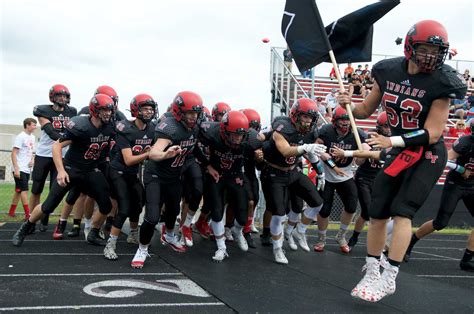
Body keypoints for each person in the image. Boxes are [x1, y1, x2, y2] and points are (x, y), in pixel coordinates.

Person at [337, 20, 467, 302]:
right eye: (425, 49)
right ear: (410, 46)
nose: (430, 56)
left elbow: (433, 133)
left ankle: (390, 276)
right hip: (398, 149)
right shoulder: (387, 71)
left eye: (437, 51)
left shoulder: (443, 81)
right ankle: (373, 269)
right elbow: (364, 109)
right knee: (377, 211)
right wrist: (347, 102)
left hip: (427, 154)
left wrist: (391, 142)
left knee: (402, 212)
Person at [12, 94, 116, 247]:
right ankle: (25, 227)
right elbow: (57, 146)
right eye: (104, 110)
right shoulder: (81, 126)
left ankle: (93, 233)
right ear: (94, 110)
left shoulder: (110, 127)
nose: (108, 113)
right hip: (71, 169)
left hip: (90, 170)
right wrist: (61, 171)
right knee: (48, 206)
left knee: (106, 204)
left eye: (109, 110)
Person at [130, 91, 203, 269]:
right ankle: (142, 248)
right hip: (155, 175)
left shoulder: (196, 126)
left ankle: (169, 236)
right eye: (189, 113)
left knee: (172, 211)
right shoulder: (169, 127)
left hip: (174, 176)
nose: (193, 117)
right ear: (179, 112)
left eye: (196, 113)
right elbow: (154, 152)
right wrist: (165, 154)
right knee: (153, 216)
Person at [260, 98, 326, 264]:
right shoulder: (282, 128)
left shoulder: (310, 132)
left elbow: (311, 152)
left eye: (311, 117)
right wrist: (305, 148)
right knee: (279, 214)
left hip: (294, 172)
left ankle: (299, 231)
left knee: (317, 202)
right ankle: (277, 248)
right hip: (275, 173)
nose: (308, 121)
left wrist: (320, 171)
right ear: (295, 115)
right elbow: (285, 151)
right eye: (305, 117)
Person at [403, 132, 473, 272]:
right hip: (456, 184)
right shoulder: (466, 142)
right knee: (440, 223)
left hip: (472, 185)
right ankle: (410, 243)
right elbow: (444, 159)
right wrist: (460, 169)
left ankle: (466, 260)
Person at [103, 94, 157, 260]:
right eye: (145, 109)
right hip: (118, 171)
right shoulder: (125, 128)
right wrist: (149, 152)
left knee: (138, 203)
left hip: (132, 173)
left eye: (150, 109)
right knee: (124, 207)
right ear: (136, 110)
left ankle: (133, 234)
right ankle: (110, 245)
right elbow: (129, 160)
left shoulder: (152, 128)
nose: (148, 112)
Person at [315, 107, 367, 253]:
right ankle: (321, 238)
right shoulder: (326, 131)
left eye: (347, 120)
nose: (345, 124)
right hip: (327, 174)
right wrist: (331, 163)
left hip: (346, 175)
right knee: (324, 210)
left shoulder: (357, 134)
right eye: (342, 121)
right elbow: (318, 150)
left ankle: (341, 235)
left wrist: (362, 155)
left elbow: (359, 160)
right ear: (334, 122)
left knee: (351, 207)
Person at [30, 84, 77, 232]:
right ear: (52, 97)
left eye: (65, 96)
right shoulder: (43, 110)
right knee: (36, 189)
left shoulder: (72, 111)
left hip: (61, 156)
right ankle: (31, 219)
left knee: (54, 190)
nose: (63, 98)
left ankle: (44, 217)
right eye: (59, 95)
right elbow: (50, 131)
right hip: (44, 154)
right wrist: (68, 139)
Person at [8, 118, 37, 219]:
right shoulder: (20, 137)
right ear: (27, 125)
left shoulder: (33, 137)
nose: (35, 127)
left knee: (18, 190)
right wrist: (16, 169)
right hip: (19, 168)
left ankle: (11, 212)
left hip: (27, 168)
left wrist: (32, 159)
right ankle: (27, 214)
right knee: (24, 190)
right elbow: (14, 153)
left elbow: (32, 151)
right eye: (33, 125)